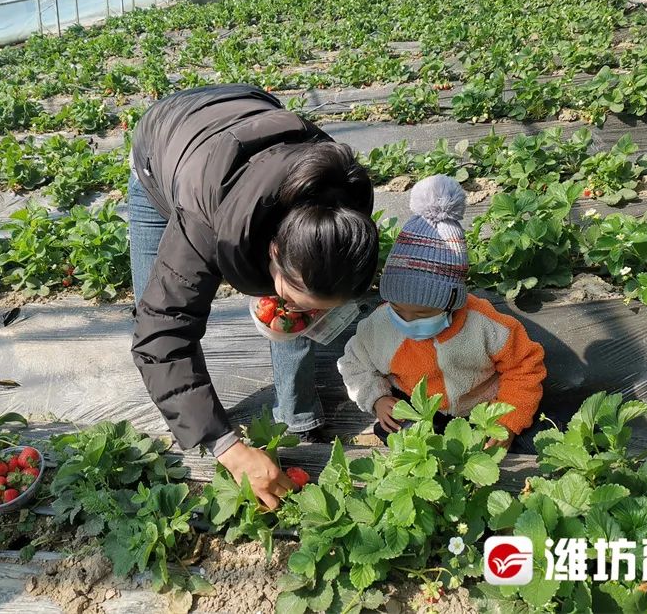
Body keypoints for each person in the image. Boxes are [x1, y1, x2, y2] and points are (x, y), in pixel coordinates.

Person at [129, 84, 378, 508]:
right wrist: (227, 446)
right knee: (155, 304)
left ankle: (297, 416)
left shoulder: (339, 205)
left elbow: (317, 272)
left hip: (247, 116)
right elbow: (161, 336)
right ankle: (188, 424)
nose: (307, 312)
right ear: (273, 252)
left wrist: (300, 302)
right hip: (166, 147)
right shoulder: (202, 219)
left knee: (303, 292)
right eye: (297, 296)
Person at [337, 175, 546, 450]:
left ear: (452, 302)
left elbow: (525, 367)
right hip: (420, 408)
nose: (408, 322)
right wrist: (376, 398)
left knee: (525, 440)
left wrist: (507, 420)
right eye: (398, 310)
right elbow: (353, 363)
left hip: (480, 409)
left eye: (423, 314)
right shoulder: (378, 327)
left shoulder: (484, 324)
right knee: (399, 433)